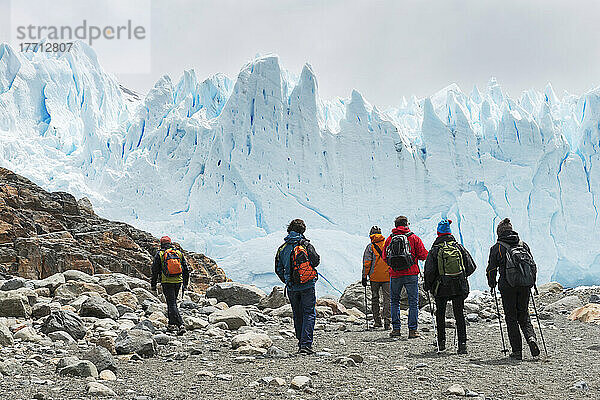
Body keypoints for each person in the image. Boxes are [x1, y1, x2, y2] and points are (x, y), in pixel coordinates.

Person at [486, 218, 540, 360]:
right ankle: (531, 338)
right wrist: (531, 282)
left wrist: (492, 283)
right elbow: (532, 265)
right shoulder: (523, 245)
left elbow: (491, 269)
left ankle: (517, 351)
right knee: (524, 315)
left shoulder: (497, 247)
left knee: (511, 317)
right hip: (524, 285)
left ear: (499, 233)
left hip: (507, 286)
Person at [423, 219, 476, 354]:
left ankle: (441, 343)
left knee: (440, 314)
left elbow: (429, 271)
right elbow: (471, 266)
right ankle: (462, 344)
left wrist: (428, 285)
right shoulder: (459, 247)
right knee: (459, 314)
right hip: (458, 286)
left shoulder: (435, 249)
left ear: (438, 233)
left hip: (441, 288)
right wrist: (461, 277)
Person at [275, 219, 319, 354]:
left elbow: (278, 268)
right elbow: (316, 261)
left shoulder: (282, 248)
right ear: (303, 231)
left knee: (297, 314)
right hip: (307, 285)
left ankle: (301, 341)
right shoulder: (306, 245)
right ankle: (306, 345)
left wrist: (287, 280)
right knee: (309, 313)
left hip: (292, 288)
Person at [382, 216, 428, 338]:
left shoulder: (389, 239)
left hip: (395, 274)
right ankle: (412, 330)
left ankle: (396, 329)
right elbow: (423, 255)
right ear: (406, 224)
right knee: (413, 302)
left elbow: (385, 257)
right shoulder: (413, 238)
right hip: (411, 273)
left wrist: (394, 265)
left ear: (395, 225)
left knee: (394, 301)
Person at [151, 236, 189, 336]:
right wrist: (185, 283)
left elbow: (154, 271)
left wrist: (153, 285)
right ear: (170, 243)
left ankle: (181, 325)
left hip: (167, 281)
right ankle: (171, 324)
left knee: (171, 303)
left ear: (161, 243)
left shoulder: (160, 254)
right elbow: (186, 269)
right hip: (178, 281)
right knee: (172, 303)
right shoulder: (178, 253)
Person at [362, 226, 391, 330]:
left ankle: (377, 321)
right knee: (387, 299)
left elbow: (367, 263)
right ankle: (387, 322)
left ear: (371, 235)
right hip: (387, 276)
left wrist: (364, 277)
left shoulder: (370, 247)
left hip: (374, 277)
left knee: (375, 299)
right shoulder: (387, 245)